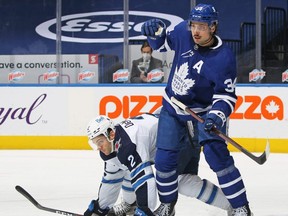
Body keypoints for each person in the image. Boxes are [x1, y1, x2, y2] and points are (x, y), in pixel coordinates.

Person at [141, 3, 253, 216]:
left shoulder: (224, 58)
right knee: (164, 159)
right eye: (194, 25)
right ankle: (167, 205)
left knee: (217, 157)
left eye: (202, 26)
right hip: (173, 107)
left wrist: (216, 116)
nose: (196, 31)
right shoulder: (183, 31)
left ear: (213, 27)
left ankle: (241, 207)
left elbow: (226, 96)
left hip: (204, 113)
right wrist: (153, 35)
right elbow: (163, 44)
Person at [83, 113, 233, 216]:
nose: (99, 147)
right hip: (164, 141)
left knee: (182, 182)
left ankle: (234, 206)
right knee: (125, 167)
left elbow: (145, 179)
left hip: (181, 137)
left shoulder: (129, 143)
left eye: (100, 142)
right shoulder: (113, 145)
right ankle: (131, 203)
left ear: (110, 134)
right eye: (95, 143)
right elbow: (112, 178)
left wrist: (145, 209)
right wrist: (100, 208)